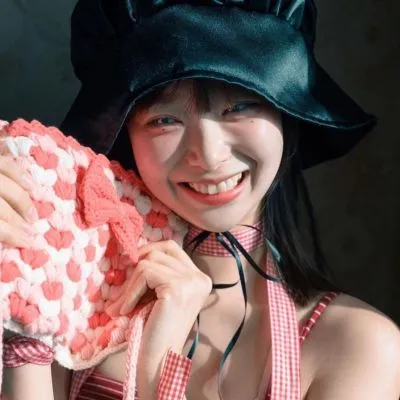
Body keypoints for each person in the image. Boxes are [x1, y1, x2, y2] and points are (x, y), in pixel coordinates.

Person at [2, 1, 400, 399]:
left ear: (285, 113)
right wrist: (20, 294)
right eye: (164, 120)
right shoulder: (71, 302)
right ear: (125, 135)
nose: (208, 155)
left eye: (239, 106)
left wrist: (158, 374)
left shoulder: (358, 347)